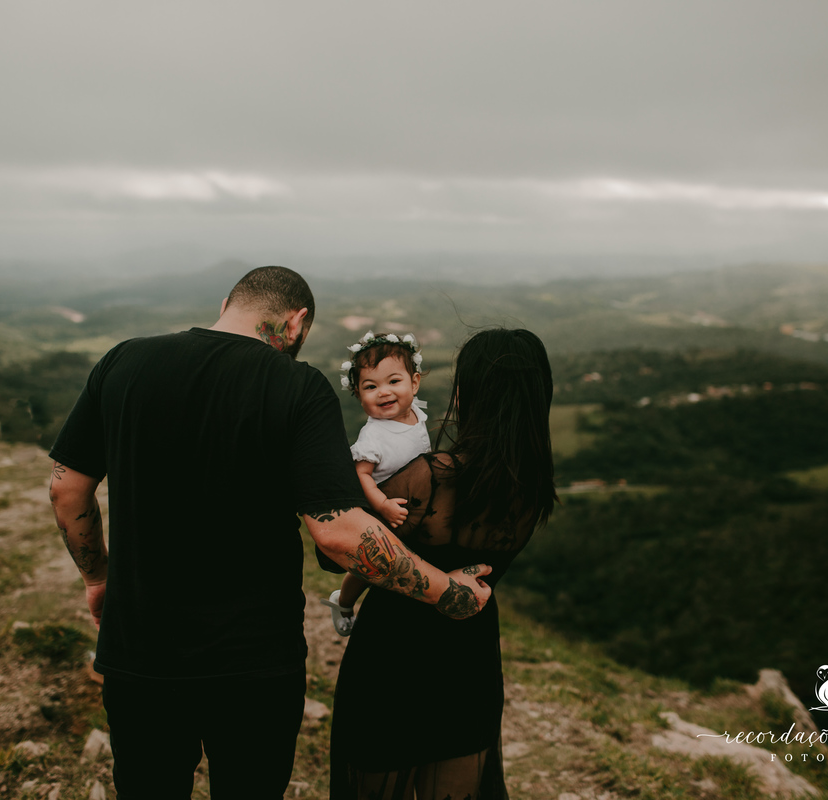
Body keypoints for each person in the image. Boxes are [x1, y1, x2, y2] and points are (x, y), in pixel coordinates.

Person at [46, 266, 493, 799]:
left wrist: (98, 578)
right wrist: (449, 592)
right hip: (253, 662)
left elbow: (67, 490)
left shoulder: (123, 361)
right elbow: (339, 534)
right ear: (297, 322)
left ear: (227, 304)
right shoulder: (296, 385)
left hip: (138, 653)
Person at [322, 328, 559, 800]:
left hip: (393, 655)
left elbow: (339, 553)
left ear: (466, 392)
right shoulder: (532, 487)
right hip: (469, 656)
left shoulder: (431, 476)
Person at [322, 330, 431, 636]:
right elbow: (361, 475)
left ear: (415, 383)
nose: (383, 392)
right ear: (358, 395)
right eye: (371, 386)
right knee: (369, 568)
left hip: (410, 506)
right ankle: (342, 601)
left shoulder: (415, 416)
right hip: (380, 509)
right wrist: (382, 505)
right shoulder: (374, 436)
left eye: (393, 381)